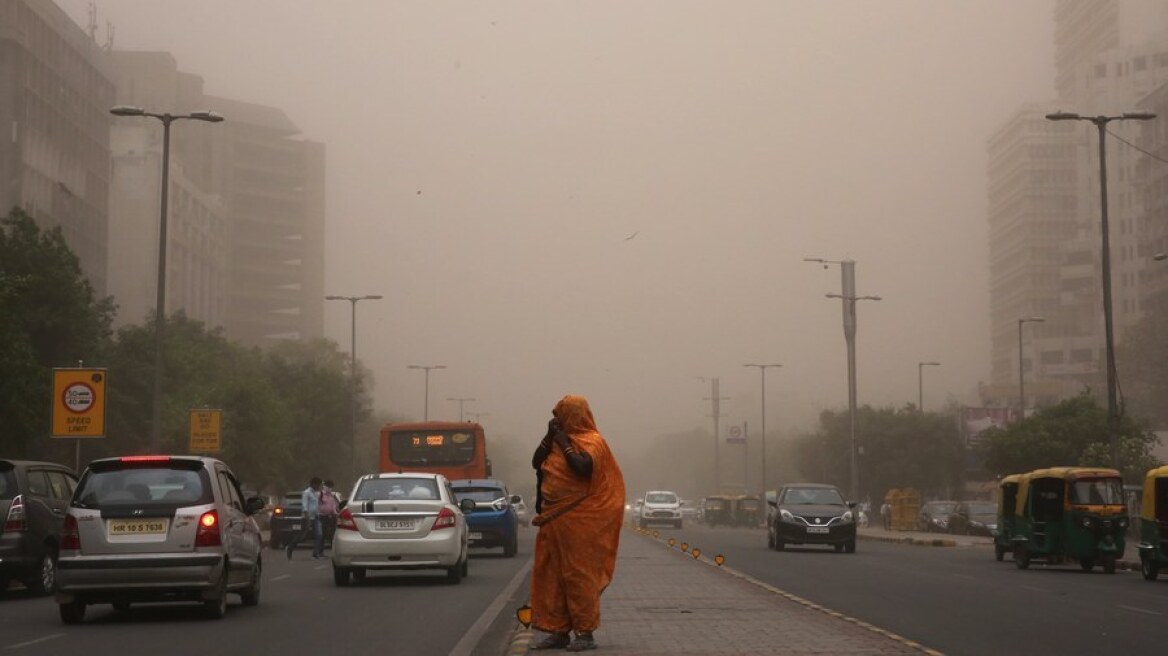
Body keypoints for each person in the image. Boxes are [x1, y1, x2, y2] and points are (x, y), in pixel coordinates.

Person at [529, 395, 625, 652]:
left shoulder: (594, 442)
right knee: (552, 576)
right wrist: (550, 437)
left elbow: (582, 468)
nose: (557, 421)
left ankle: (585, 633)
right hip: (554, 519)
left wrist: (562, 440)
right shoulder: (556, 443)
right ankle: (557, 631)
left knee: (577, 576)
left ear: (574, 416)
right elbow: (536, 462)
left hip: (581, 520)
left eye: (561, 416)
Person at [286, 476, 323, 560]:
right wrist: (307, 519)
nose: (319, 486)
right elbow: (305, 507)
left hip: (316, 517)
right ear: (314, 484)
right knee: (303, 536)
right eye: (318, 485)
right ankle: (290, 547)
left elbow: (316, 505)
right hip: (307, 518)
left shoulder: (316, 493)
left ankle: (315, 554)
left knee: (319, 535)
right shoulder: (306, 493)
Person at [318, 479, 340, 549]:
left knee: (332, 533)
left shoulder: (332, 496)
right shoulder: (320, 495)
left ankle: (332, 547)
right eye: (328, 486)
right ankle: (320, 550)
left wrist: (335, 513)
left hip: (330, 517)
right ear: (324, 486)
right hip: (321, 517)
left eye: (331, 487)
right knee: (322, 534)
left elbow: (333, 506)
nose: (329, 488)